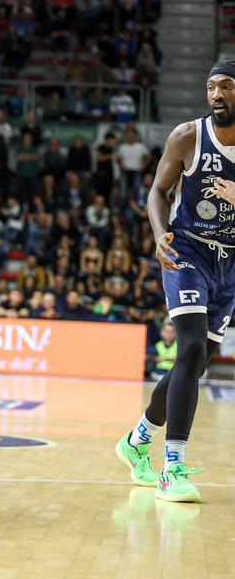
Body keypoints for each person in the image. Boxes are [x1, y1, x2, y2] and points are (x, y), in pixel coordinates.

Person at [116, 60, 235, 504]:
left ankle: (136, 440)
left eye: (226, 86)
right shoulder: (189, 136)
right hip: (186, 249)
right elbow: (155, 192)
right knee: (188, 350)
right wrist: (157, 234)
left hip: (230, 263)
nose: (216, 94)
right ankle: (174, 466)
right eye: (211, 87)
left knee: (197, 361)